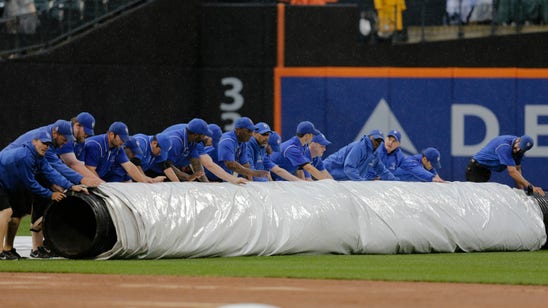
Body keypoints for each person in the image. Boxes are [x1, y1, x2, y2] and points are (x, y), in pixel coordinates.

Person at [0, 131, 88, 260]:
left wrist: (71, 186)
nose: (46, 146)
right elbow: (31, 184)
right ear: (34, 141)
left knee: (17, 215)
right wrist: (50, 194)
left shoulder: (39, 157)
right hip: (2, 181)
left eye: (48, 144)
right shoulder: (25, 156)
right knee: (6, 211)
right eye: (43, 143)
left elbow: (51, 173)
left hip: (10, 183)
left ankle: (8, 250)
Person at [2, 119, 99, 187]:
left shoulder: (51, 135)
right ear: (55, 134)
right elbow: (57, 166)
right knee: (12, 210)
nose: (65, 143)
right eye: (64, 139)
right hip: (6, 169)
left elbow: (47, 168)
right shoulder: (44, 142)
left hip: (14, 170)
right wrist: (82, 179)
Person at [161, 118, 248, 185]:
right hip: (158, 167)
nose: (205, 138)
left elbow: (203, 165)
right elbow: (165, 165)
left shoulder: (194, 140)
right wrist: (179, 182)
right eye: (204, 135)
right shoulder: (176, 141)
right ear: (196, 135)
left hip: (169, 165)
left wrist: (207, 185)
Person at [83, 122, 165, 183]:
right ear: (111, 134)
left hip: (96, 180)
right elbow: (89, 169)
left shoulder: (118, 147)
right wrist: (104, 186)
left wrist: (150, 180)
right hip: (83, 180)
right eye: (122, 139)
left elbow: (129, 167)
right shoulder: (96, 145)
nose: (123, 142)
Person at [465, 134, 544, 196]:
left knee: (482, 197)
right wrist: (530, 187)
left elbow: (517, 170)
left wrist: (521, 191)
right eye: (517, 147)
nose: (517, 150)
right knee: (476, 198)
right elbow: (512, 172)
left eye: (521, 150)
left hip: (486, 170)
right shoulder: (505, 146)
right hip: (476, 169)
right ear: (518, 140)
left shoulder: (519, 151)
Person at [323, 129, 397, 181]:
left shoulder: (374, 153)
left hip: (338, 179)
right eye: (376, 139)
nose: (377, 142)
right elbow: (349, 168)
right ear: (370, 137)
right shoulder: (360, 147)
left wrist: (396, 182)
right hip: (327, 170)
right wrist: (361, 183)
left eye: (380, 141)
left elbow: (382, 170)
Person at [58, 112, 104, 186]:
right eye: (85, 131)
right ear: (77, 125)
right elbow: (73, 165)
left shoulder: (81, 141)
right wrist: (101, 184)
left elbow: (81, 166)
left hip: (61, 176)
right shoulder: (66, 134)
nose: (87, 134)